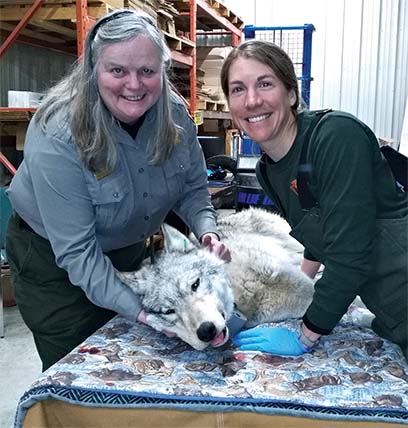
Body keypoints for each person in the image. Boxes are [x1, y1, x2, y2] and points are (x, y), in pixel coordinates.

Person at [6, 9, 231, 371]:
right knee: (79, 370)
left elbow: (192, 188)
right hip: (55, 266)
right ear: (93, 70)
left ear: (163, 70)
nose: (134, 85)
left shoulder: (174, 115)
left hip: (127, 253)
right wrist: (144, 313)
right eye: (117, 71)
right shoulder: (58, 134)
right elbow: (78, 254)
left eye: (147, 71)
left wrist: (208, 231)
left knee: (140, 365)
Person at [220, 39, 407, 358]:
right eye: (238, 89)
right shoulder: (269, 170)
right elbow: (318, 232)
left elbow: (348, 254)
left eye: (265, 84)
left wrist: (305, 336)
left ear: (291, 94)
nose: (252, 100)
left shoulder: (335, 136)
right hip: (390, 315)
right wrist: (296, 295)